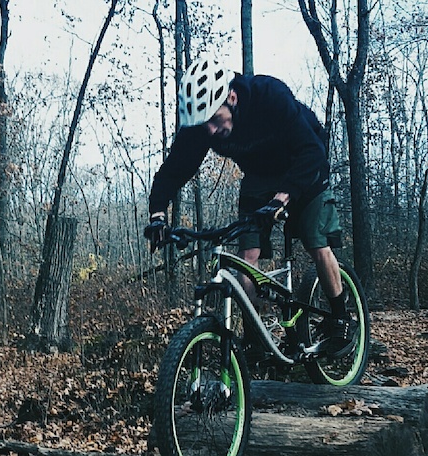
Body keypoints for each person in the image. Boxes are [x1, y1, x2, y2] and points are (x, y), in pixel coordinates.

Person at [145, 58, 357, 360]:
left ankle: (340, 318)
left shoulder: (269, 96)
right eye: (205, 123)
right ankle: (255, 342)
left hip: (305, 165)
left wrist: (284, 197)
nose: (212, 130)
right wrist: (157, 215)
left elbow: (312, 151)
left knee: (314, 240)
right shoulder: (203, 126)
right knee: (247, 256)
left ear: (231, 98)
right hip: (260, 176)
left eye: (216, 119)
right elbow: (173, 171)